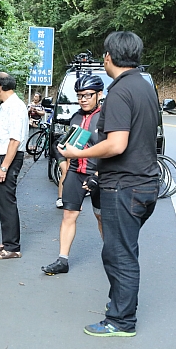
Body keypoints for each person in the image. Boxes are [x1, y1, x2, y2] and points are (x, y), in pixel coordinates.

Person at [59, 31, 160, 337]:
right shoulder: (144, 88)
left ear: (110, 58)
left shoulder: (119, 92)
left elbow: (116, 144)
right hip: (145, 183)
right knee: (121, 250)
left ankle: (121, 320)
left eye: (104, 55)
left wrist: (80, 152)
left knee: (119, 254)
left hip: (124, 187)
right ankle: (119, 306)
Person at [42, 74, 105, 275]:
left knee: (100, 217)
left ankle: (111, 254)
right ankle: (63, 260)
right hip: (76, 171)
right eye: (79, 96)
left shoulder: (106, 117)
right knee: (69, 215)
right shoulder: (76, 117)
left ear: (99, 94)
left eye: (87, 95)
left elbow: (111, 149)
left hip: (98, 174)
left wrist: (97, 174)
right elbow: (71, 144)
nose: (83, 99)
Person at [0, 72, 29, 259]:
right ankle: (7, 240)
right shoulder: (6, 106)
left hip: (8, 157)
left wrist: (4, 167)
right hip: (3, 156)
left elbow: (15, 139)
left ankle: (13, 247)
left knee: (7, 201)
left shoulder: (15, 106)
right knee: (3, 201)